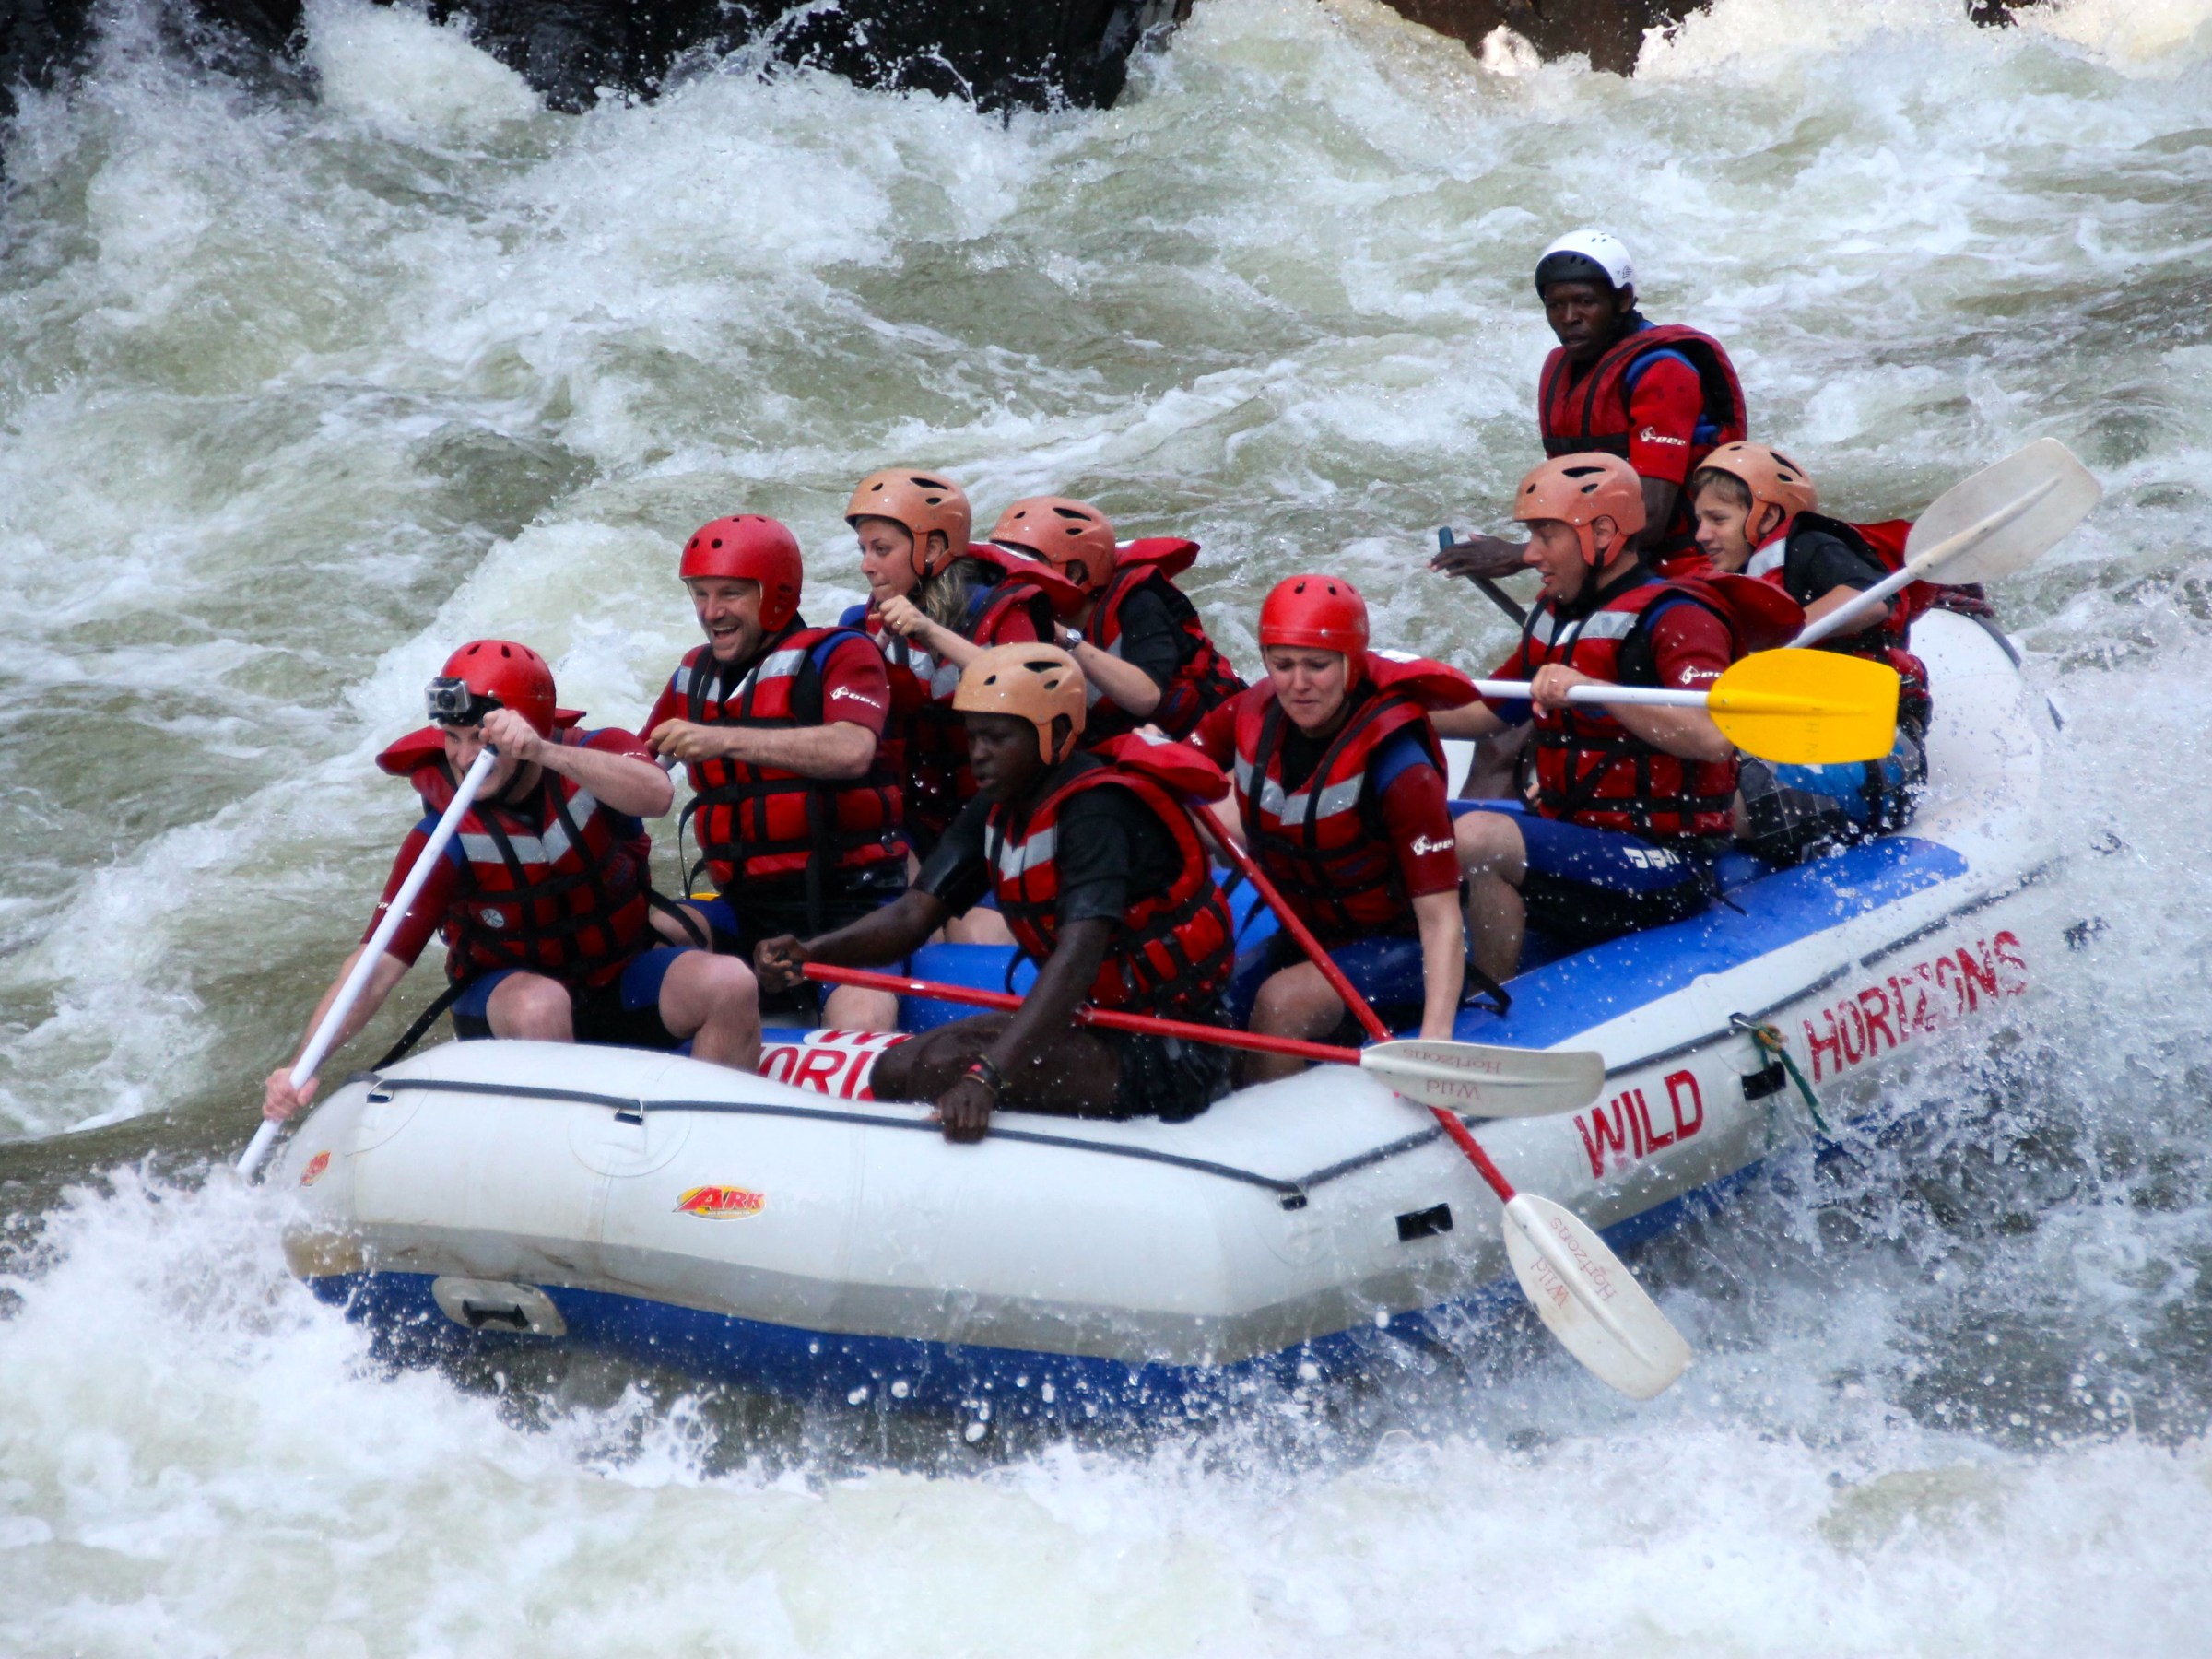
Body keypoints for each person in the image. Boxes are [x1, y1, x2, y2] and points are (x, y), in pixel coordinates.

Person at [754, 645, 1239, 1142]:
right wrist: (811, 953)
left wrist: (988, 1075)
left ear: (1054, 734)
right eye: (973, 737)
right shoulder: (996, 808)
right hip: (1094, 1022)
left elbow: (1077, 958)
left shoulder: (1098, 813)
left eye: (997, 737)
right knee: (895, 1068)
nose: (979, 753)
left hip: (1171, 1048)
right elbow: (912, 917)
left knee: (941, 1068)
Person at [262, 641, 761, 1122]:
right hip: (511, 1009)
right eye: (453, 738)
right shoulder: (443, 838)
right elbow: (374, 968)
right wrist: (303, 1065)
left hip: (617, 981)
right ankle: (565, 1146)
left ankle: (708, 1135)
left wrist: (543, 751)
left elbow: (656, 795)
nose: (464, 758)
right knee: (541, 1005)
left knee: (730, 983)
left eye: (480, 739)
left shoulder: (592, 755)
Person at [1434, 455, 1743, 986]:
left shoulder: (1679, 616)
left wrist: (1598, 691)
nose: (1531, 554)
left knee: (1480, 840)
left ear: (1602, 533)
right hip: (1577, 838)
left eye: (1546, 536)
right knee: (1411, 818)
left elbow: (1715, 737)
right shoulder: (1559, 615)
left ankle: (1489, 1005)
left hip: (1666, 864)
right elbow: (1484, 712)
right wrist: (1370, 706)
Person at [1189, 575, 1473, 1081]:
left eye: (1317, 666)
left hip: (1402, 947)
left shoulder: (1401, 766)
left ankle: (1276, 1122)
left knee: (1281, 1004)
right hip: (1310, 935)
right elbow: (1175, 768)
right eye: (1282, 664)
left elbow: (1440, 920)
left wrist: (1435, 1042)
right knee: (1208, 1007)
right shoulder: (1252, 711)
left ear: (1351, 662)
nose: (1298, 684)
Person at [642, 514, 908, 1030]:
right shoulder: (693, 674)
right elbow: (639, 774)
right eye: (700, 594)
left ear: (777, 596)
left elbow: (852, 749)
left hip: (853, 908)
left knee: (862, 1014)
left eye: (730, 594)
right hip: (746, 907)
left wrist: (722, 738)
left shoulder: (842, 653)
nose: (711, 612)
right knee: (655, 932)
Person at [1433, 228, 1747, 587]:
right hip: (1606, 559)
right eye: (1555, 305)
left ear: (1623, 300)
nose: (1569, 317)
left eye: (1585, 301)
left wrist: (1527, 554)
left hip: (1686, 563)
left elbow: (1651, 519)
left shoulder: (1663, 371)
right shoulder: (1561, 369)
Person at [1687, 442, 1930, 862]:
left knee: (1716, 801)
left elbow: (1870, 602)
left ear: (1767, 517)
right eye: (1700, 521)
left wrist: (1773, 642)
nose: (1701, 535)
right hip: (1798, 736)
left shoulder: (1810, 543)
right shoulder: (1728, 578)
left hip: (1876, 742)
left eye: (1718, 519)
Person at [838, 467, 1074, 853]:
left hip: (1004, 810)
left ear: (931, 550)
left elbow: (1031, 693)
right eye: (862, 550)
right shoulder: (859, 626)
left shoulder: (1006, 611)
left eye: (881, 549)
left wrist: (929, 630)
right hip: (914, 814)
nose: (866, 564)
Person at [987, 496, 1245, 743]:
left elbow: (1146, 697)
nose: (1012, 576)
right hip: (1115, 738)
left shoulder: (1139, 603)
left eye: (1027, 564)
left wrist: (1064, 638)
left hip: (1205, 733)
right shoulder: (1017, 614)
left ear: (1074, 573)